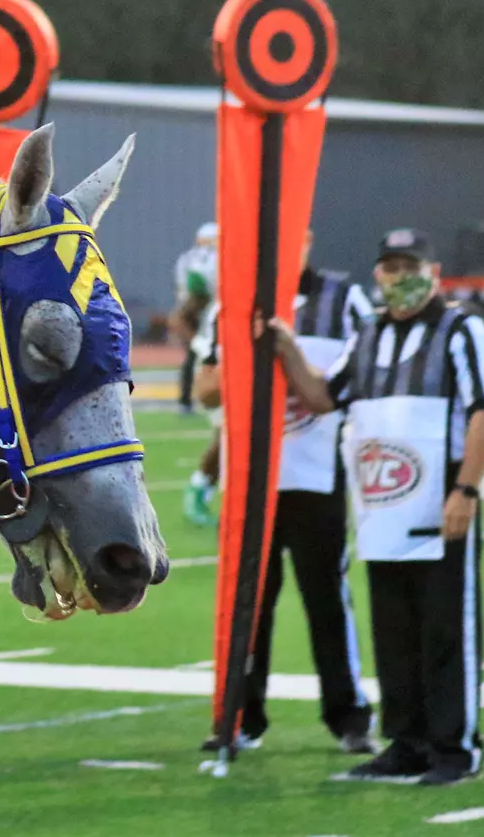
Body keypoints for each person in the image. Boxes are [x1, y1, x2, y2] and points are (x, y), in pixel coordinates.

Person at [273, 229, 484, 787]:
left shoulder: (462, 327)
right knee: (393, 632)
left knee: (446, 627)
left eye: (410, 266)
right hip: (382, 505)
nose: (400, 278)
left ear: (434, 270)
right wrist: (285, 345)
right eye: (390, 268)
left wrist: (466, 490)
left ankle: (456, 749)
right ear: (378, 274)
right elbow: (326, 398)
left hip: (440, 497)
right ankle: (407, 743)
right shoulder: (370, 332)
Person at [194, 230, 376, 754]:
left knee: (327, 600)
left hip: (317, 474)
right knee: (248, 601)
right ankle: (241, 715)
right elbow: (205, 387)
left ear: (308, 240)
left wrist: (296, 364)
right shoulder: (232, 304)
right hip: (249, 481)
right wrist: (246, 358)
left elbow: (365, 370)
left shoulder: (344, 300)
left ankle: (348, 715)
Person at [172, 222, 218, 411]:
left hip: (200, 310)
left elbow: (184, 289)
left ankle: (186, 400)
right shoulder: (212, 258)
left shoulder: (187, 259)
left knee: (194, 356)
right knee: (204, 356)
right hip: (207, 311)